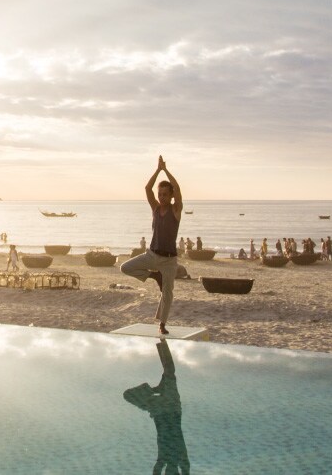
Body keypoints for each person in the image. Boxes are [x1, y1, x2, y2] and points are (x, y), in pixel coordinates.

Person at [120, 157, 184, 335]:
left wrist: (166, 171)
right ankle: (154, 276)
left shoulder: (176, 210)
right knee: (125, 267)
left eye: (165, 194)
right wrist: (157, 170)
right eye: (160, 194)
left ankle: (162, 324)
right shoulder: (155, 208)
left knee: (168, 293)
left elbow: (177, 188)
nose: (162, 197)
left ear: (170, 196)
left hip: (170, 260)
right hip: (152, 256)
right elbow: (147, 188)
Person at [123, 339, 191, 475]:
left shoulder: (167, 459)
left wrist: (153, 392)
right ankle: (162, 342)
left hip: (163, 409)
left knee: (127, 395)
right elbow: (178, 470)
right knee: (170, 372)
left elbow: (160, 470)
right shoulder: (176, 459)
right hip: (168, 407)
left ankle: (155, 388)